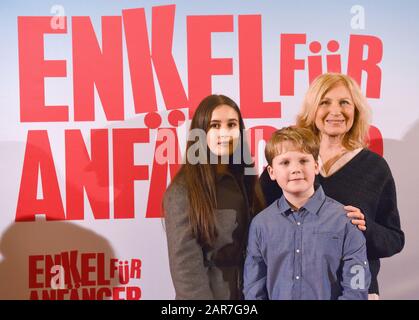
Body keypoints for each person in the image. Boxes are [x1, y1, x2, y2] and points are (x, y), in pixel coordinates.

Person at [259, 73, 404, 298]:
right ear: (312, 109)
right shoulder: (287, 160)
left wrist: (366, 227)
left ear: (355, 110)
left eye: (344, 102)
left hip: (357, 291)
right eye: (325, 102)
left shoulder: (374, 167)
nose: (335, 111)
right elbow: (260, 230)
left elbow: (394, 240)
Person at [244, 126, 370, 300]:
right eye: (285, 162)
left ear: (316, 165)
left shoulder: (345, 220)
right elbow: (253, 288)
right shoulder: (261, 224)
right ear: (272, 172)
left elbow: (356, 287)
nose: (295, 169)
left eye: (303, 161)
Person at [163, 94, 265, 299]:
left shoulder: (246, 180)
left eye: (232, 124)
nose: (225, 133)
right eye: (215, 125)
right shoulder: (183, 190)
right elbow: (186, 270)